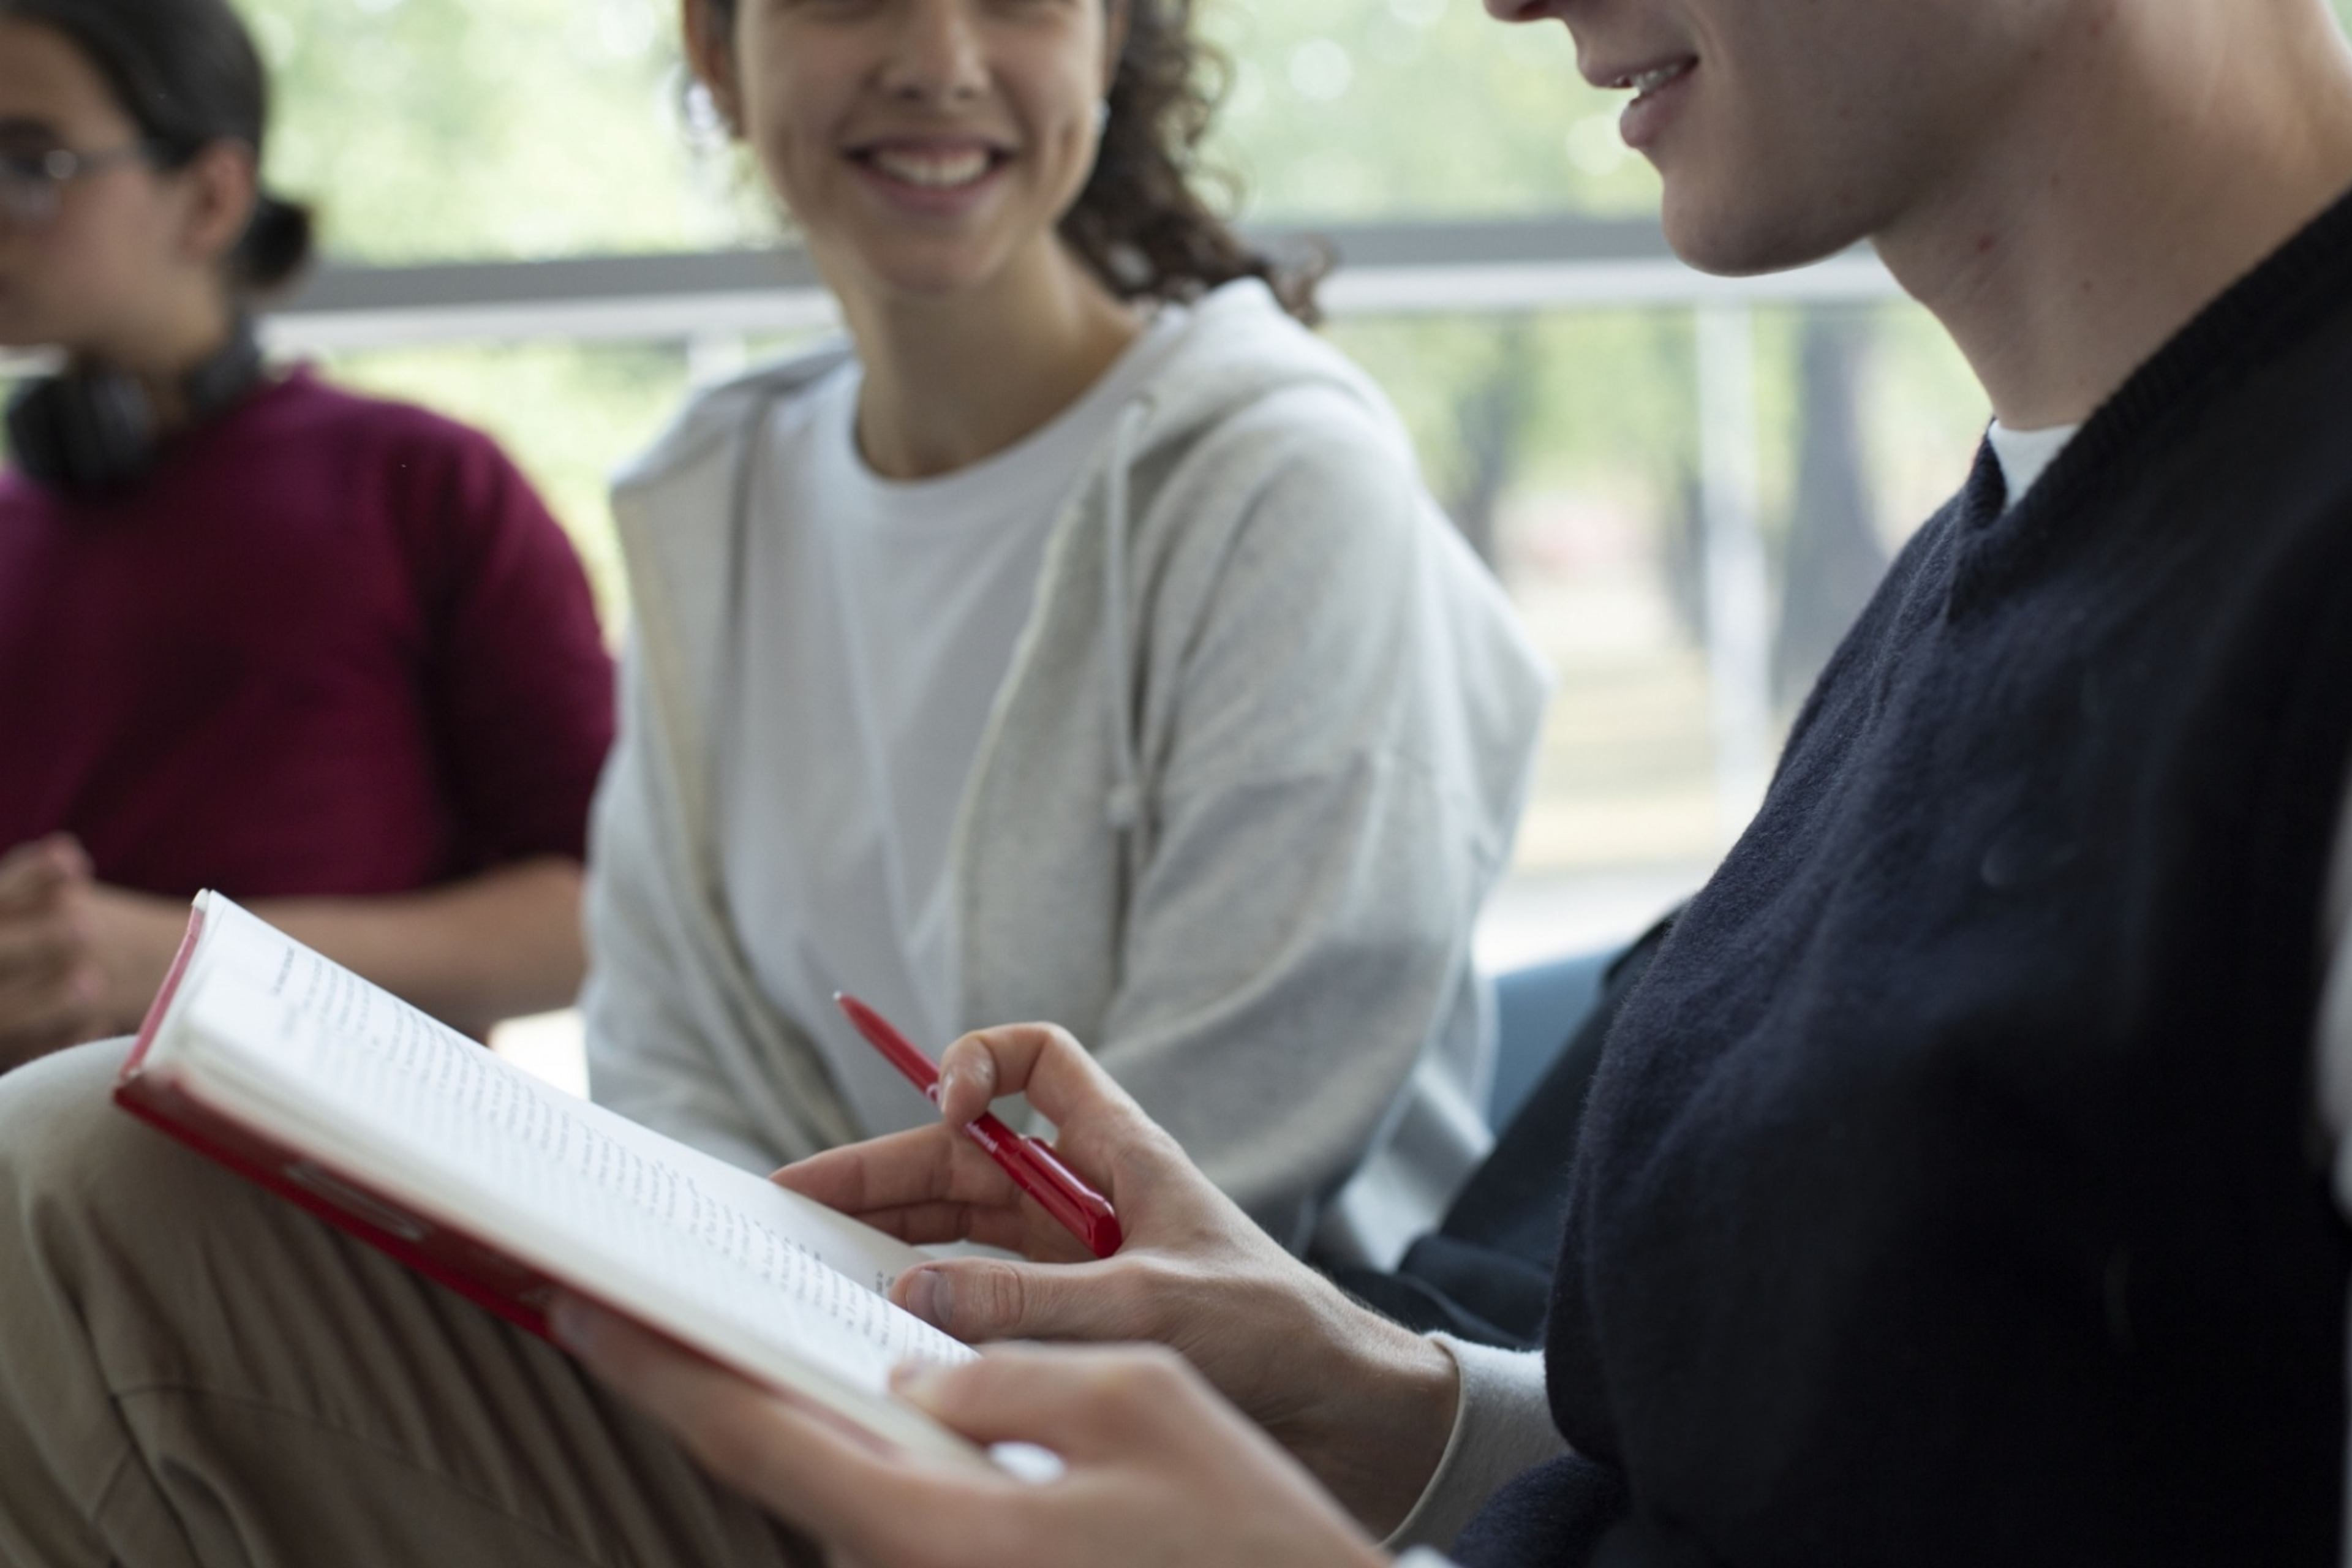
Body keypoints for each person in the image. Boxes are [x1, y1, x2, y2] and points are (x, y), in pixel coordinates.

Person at [14, 0, 2352, 1562]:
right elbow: (1824, 1457)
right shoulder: (2003, 563)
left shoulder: (2276, 625)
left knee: (69, 1201)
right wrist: (1397, 1406)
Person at [579, 0, 1545, 1260]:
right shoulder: (715, 498)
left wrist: (837, 1328)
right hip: (800, 1372)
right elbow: (663, 1055)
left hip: (1212, 1419)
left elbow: (1208, 1176)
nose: (939, 63)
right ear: (718, 53)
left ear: (1109, 43)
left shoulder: (1278, 486)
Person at [0, 0, 615, 1058]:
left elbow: (597, 916)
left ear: (208, 197)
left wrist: (195, 959)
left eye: (29, 160)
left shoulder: (424, 488)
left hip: (332, 1191)